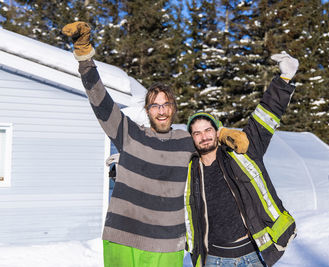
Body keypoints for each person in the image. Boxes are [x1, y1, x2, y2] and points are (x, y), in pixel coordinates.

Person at [61, 21, 249, 267]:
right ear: (148, 110)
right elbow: (100, 100)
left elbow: (208, 141)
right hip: (122, 237)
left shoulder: (185, 141)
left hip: (167, 244)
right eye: (155, 105)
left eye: (166, 104)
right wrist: (85, 57)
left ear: (174, 108)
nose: (161, 111)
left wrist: (223, 133)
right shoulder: (128, 133)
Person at [184, 52, 299, 267]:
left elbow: (263, 119)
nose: (203, 136)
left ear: (217, 132)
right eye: (197, 133)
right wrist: (127, 166)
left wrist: (284, 80)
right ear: (191, 138)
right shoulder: (189, 171)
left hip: (253, 255)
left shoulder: (240, 153)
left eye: (208, 130)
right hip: (215, 260)